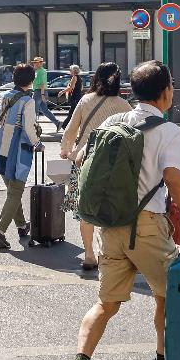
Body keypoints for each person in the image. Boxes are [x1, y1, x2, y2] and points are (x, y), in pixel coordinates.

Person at [61, 60, 180, 360]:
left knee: (106, 304)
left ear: (133, 91)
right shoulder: (168, 130)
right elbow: (174, 180)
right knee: (170, 294)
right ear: (166, 92)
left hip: (109, 226)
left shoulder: (114, 122)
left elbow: (83, 161)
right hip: (146, 226)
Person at [60, 62, 133, 271]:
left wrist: (65, 149)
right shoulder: (123, 105)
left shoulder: (86, 100)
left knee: (85, 210)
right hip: (111, 164)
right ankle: (108, 252)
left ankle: (89, 255)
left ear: (95, 78)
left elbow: (71, 130)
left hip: (83, 161)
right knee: (109, 207)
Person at [0, 63, 42, 250]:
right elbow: (29, 128)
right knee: (16, 191)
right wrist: (37, 143)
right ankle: (0, 231)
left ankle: (21, 226)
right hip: (17, 149)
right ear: (31, 81)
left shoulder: (4, 95)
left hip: (0, 145)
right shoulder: (28, 100)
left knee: (12, 190)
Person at [30, 56, 62, 131]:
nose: (34, 64)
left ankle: (33, 127)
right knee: (44, 110)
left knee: (34, 110)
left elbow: (42, 84)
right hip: (39, 91)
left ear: (40, 63)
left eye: (36, 63)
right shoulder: (38, 71)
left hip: (39, 92)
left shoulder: (41, 71)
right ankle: (57, 123)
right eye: (34, 63)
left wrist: (42, 94)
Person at [58, 64, 83, 130]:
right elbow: (81, 88)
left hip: (74, 97)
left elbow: (70, 88)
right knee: (74, 113)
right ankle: (67, 126)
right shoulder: (80, 78)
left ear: (74, 70)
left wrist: (62, 92)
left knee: (72, 113)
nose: (70, 71)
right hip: (78, 97)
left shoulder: (74, 77)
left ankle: (64, 126)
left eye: (70, 70)